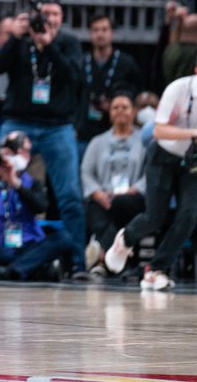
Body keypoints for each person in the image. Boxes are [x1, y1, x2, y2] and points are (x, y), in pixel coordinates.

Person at [104, 47, 197, 290]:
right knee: (155, 217)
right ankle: (125, 239)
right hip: (164, 154)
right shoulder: (178, 89)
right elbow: (158, 130)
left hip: (195, 163)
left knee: (188, 216)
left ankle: (157, 269)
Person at [0, 0, 87, 272]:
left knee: (69, 195)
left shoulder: (68, 42)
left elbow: (75, 78)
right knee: (0, 182)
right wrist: (15, 37)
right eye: (45, 14)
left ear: (62, 17)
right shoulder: (21, 40)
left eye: (55, 14)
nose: (51, 19)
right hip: (18, 121)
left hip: (57, 125)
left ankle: (78, 263)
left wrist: (50, 45)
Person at [0, 132, 74, 280]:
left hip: (27, 245)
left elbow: (40, 207)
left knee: (64, 238)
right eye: (10, 152)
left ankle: (6, 271)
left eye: (27, 152)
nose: (23, 155)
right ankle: (33, 270)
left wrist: (16, 183)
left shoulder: (30, 183)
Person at [81, 94, 147, 276]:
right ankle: (118, 264)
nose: (120, 111)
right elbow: (86, 172)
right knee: (96, 211)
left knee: (123, 206)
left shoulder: (144, 141)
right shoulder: (97, 142)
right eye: (115, 107)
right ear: (109, 113)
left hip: (133, 197)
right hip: (103, 197)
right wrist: (97, 193)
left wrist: (135, 189)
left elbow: (151, 172)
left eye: (124, 107)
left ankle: (101, 254)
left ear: (133, 112)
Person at [78, 15, 143, 150]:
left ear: (112, 33)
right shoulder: (82, 62)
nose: (100, 34)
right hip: (84, 131)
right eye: (95, 30)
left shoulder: (126, 63)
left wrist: (115, 102)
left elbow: (136, 91)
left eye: (104, 30)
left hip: (116, 129)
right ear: (90, 34)